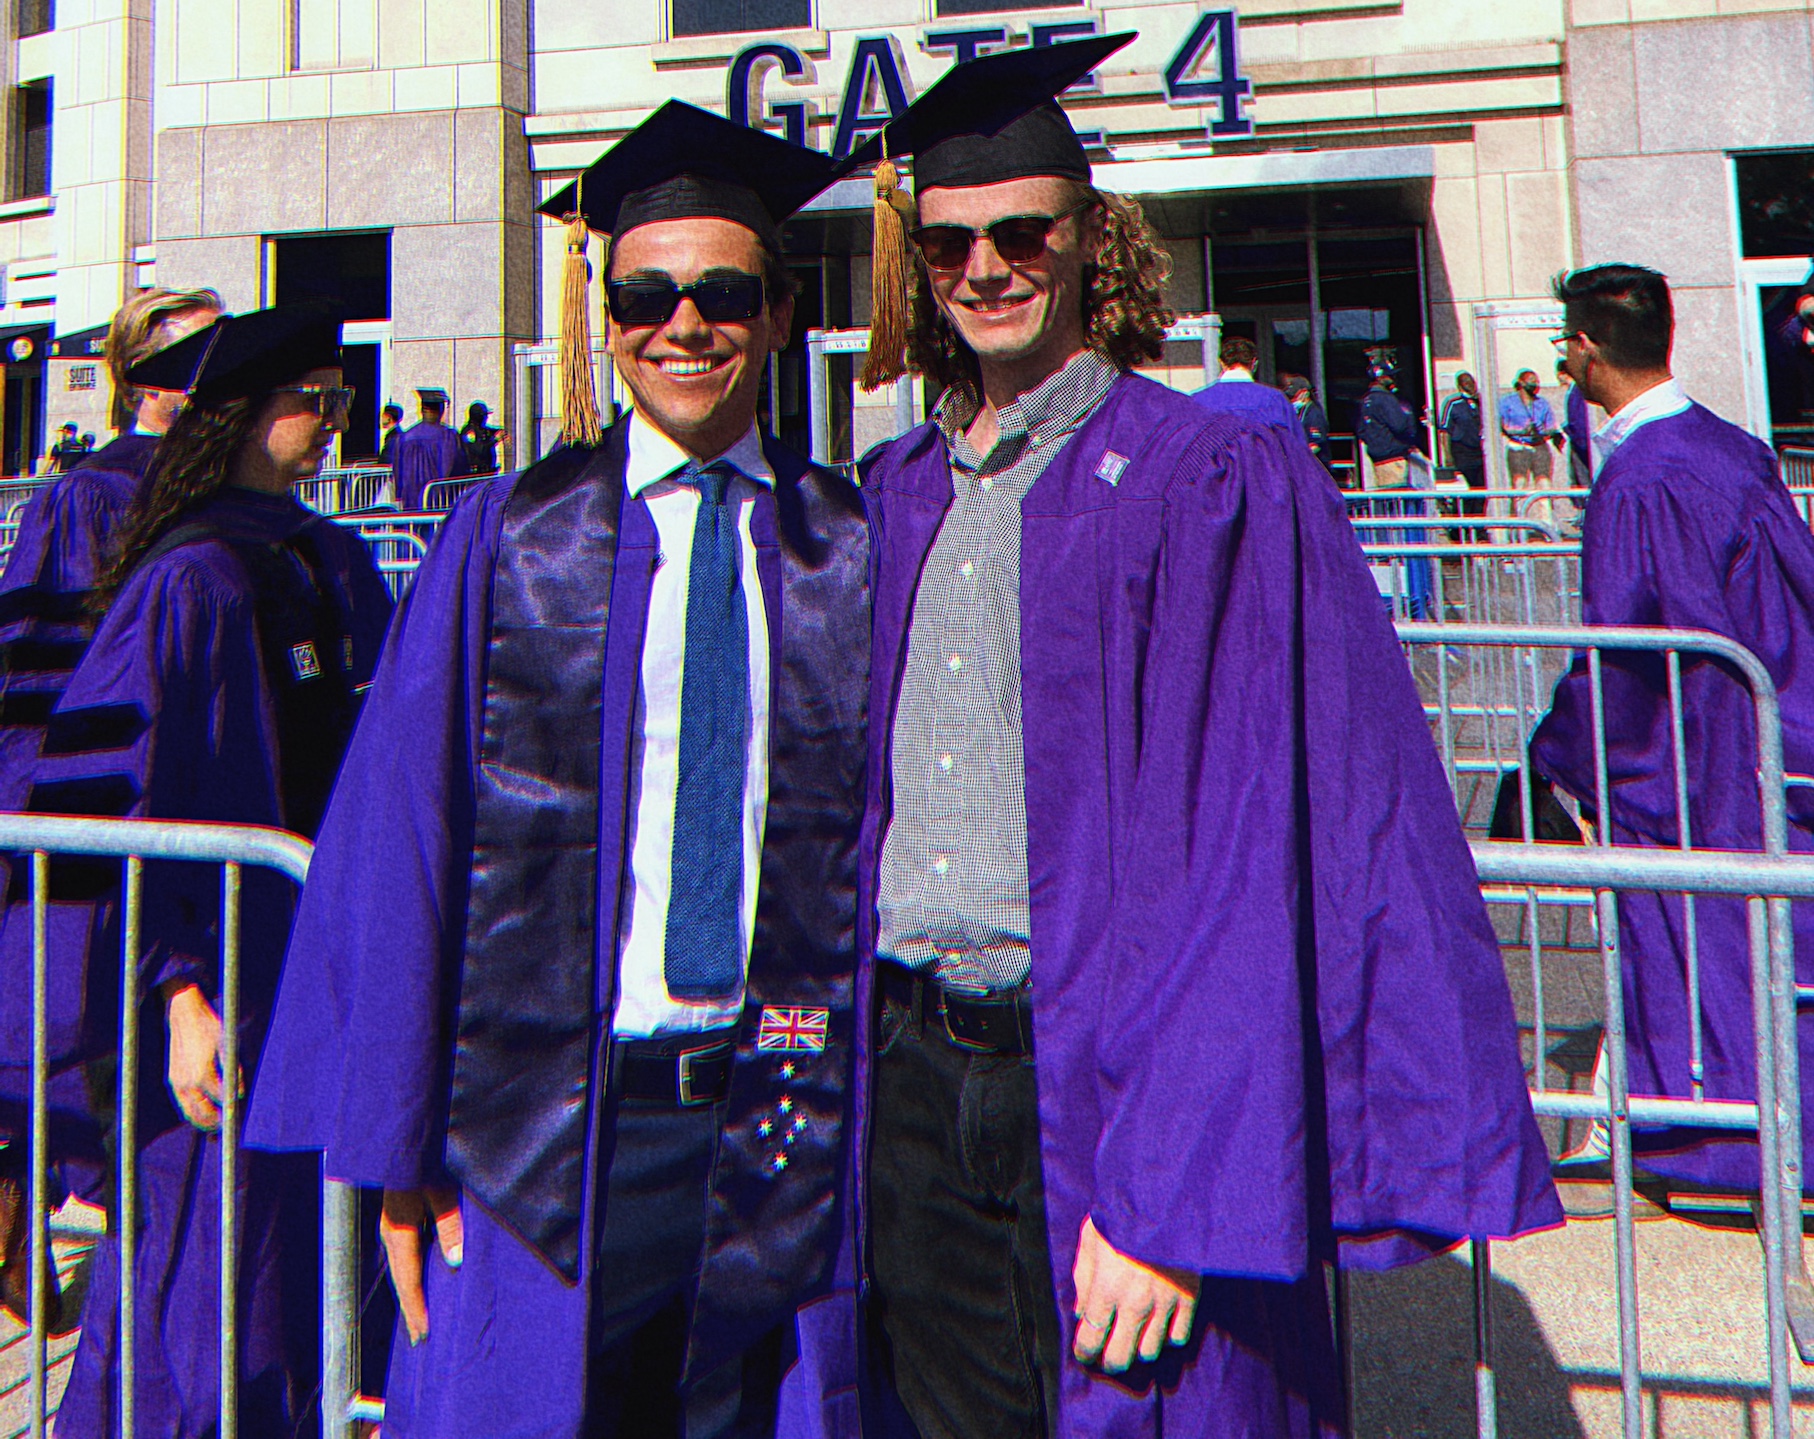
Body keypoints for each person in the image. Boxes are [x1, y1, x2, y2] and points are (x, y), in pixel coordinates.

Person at [848, 35, 1559, 1438]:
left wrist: (1172, 1186)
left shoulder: (1201, 474)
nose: (984, 266)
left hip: (1110, 1092)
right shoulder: (896, 491)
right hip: (913, 1080)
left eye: (1021, 233)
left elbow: (1254, 853)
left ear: (1087, 240)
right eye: (947, 244)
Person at [245, 101, 871, 1438]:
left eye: (721, 293)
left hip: (796, 1115)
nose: (682, 325)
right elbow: (403, 837)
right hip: (553, 1123)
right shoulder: (509, 537)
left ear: (774, 314)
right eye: (645, 294)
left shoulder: (855, 545)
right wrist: (395, 1141)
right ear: (606, 317)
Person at [0, 302, 394, 1438]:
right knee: (205, 1258)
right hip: (222, 961)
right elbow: (127, 786)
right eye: (306, 400)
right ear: (235, 415)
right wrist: (177, 986)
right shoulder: (190, 577)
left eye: (336, 398)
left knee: (299, 1247)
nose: (328, 422)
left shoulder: (326, 552)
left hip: (316, 955)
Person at [1534, 262, 1814, 1189]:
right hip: (1767, 726)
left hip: (1690, 758)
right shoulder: (1733, 447)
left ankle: (1710, 1150)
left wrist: (1562, 755)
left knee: (1695, 950)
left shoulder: (1638, 479)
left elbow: (1624, 651)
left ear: (1581, 347)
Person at [0, 284, 223, 1324]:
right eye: (182, 369)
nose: (202, 388)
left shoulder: (220, 494)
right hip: (93, 810)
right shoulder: (87, 495)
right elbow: (43, 685)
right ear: (137, 380)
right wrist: (40, 824)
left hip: (186, 816)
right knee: (76, 1033)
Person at [1190, 334, 1300, 430]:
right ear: (1254, 363)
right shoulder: (1274, 399)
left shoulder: (1197, 401)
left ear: (1222, 363)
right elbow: (1294, 446)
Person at [391, 387, 465, 509]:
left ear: (421, 410)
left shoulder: (404, 437)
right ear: (440, 410)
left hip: (410, 498)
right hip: (438, 498)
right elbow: (456, 468)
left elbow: (397, 471)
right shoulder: (447, 436)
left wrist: (399, 494)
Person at [1357, 359, 1419, 488]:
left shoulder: (1366, 400)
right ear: (1381, 378)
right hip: (1393, 458)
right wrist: (1408, 418)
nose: (1393, 378)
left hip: (1377, 458)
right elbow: (1399, 425)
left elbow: (1361, 430)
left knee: (1384, 499)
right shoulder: (1386, 399)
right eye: (1390, 375)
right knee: (1396, 499)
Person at [1439, 370, 1487, 519]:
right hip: (1461, 452)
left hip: (1478, 451)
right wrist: (1447, 456)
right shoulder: (1453, 403)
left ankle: (1479, 525)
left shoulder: (1481, 403)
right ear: (1460, 386)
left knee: (1481, 490)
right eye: (1466, 382)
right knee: (1468, 490)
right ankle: (1463, 525)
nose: (1470, 385)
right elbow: (1444, 430)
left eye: (1472, 382)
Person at [1281, 372, 1333, 474]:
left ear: (1305, 393)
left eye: (1294, 396)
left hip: (1316, 467)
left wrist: (1297, 458)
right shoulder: (1297, 412)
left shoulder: (1314, 413)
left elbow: (1316, 445)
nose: (1292, 400)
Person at [457, 399, 501, 475]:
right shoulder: (469, 432)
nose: (486, 418)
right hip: (476, 474)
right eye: (485, 415)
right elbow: (479, 449)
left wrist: (501, 432)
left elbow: (491, 431)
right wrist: (495, 440)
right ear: (478, 416)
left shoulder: (482, 429)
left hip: (487, 471)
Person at [378, 401, 404, 466]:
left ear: (389, 418)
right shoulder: (395, 434)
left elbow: (387, 458)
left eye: (383, 416)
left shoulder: (394, 437)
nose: (381, 419)